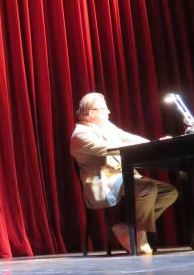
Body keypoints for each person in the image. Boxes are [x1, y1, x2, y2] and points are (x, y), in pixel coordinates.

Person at [70, 92, 178, 254]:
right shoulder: (80, 134)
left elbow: (128, 138)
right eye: (104, 109)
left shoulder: (106, 126)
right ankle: (137, 235)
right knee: (147, 188)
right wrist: (135, 144)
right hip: (105, 181)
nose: (108, 112)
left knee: (169, 192)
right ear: (91, 113)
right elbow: (111, 149)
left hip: (123, 177)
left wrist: (155, 145)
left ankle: (128, 228)